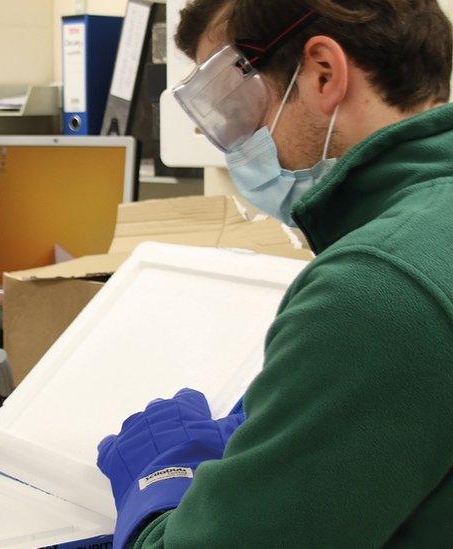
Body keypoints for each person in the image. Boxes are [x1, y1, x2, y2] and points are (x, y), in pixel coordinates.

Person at [96, 0, 453, 546]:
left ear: (323, 73)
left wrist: (159, 483)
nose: (229, 142)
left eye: (232, 106)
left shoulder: (376, 286)